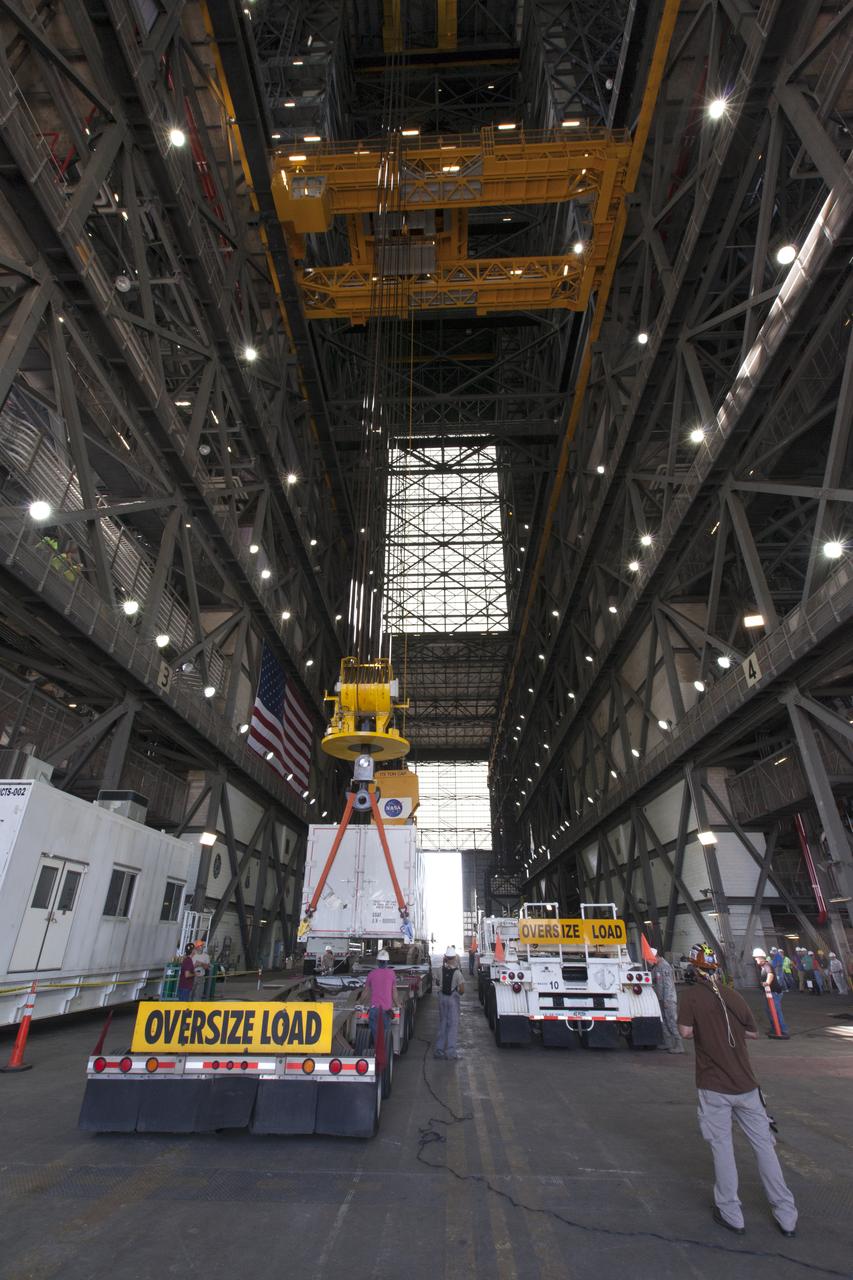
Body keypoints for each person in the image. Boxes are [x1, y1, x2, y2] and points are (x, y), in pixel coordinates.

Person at [677, 942, 797, 1237]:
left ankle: (731, 1212)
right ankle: (786, 1214)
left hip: (714, 1086)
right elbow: (753, 1032)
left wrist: (708, 1030)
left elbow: (685, 1032)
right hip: (747, 1086)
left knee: (723, 1149)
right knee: (765, 1149)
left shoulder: (692, 998)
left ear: (694, 968)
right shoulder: (734, 996)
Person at [358, 949, 398, 1049]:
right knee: (385, 1035)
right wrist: (397, 1004)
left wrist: (359, 1002)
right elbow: (394, 992)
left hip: (374, 1010)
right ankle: (384, 1054)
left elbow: (366, 992)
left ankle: (375, 1052)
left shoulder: (371, 974)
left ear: (377, 961)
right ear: (387, 962)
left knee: (375, 1035)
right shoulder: (391, 974)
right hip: (386, 1011)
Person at [649, 948, 684, 1053]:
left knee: (671, 1021)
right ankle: (667, 1042)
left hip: (668, 999)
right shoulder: (656, 967)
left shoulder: (664, 966)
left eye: (650, 959)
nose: (649, 961)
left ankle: (679, 1045)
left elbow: (668, 985)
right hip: (660, 998)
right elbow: (652, 979)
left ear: (656, 957)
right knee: (663, 1021)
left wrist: (666, 1000)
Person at [435, 945, 464, 1060]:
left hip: (442, 998)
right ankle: (450, 1052)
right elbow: (462, 990)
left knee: (443, 1023)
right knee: (452, 1025)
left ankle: (439, 1050)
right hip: (452, 999)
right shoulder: (457, 973)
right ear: (454, 958)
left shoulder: (439, 970)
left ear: (446, 957)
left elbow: (437, 983)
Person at [752, 947, 789, 1038]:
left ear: (761, 957)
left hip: (774, 992)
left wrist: (767, 983)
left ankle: (783, 1030)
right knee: (769, 1011)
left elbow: (770, 974)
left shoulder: (767, 965)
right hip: (770, 993)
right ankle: (775, 1028)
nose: (755, 960)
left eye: (756, 958)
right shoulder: (762, 966)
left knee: (776, 1011)